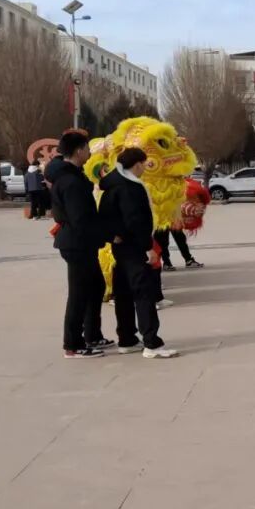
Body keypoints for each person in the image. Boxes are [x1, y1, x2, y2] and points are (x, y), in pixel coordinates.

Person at [99, 147, 179, 358]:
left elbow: (103, 215)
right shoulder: (130, 187)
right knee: (144, 294)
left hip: (121, 247)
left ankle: (127, 339)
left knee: (123, 293)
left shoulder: (112, 184)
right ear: (137, 165)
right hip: (135, 247)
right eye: (144, 164)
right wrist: (147, 247)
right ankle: (152, 343)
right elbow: (135, 220)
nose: (145, 168)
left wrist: (112, 235)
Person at [47, 131, 113, 358]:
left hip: (81, 241)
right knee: (79, 294)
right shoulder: (71, 181)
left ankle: (92, 334)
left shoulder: (72, 176)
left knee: (96, 287)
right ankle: (73, 344)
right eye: (87, 148)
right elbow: (81, 219)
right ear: (78, 151)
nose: (89, 152)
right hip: (77, 243)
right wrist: (106, 234)